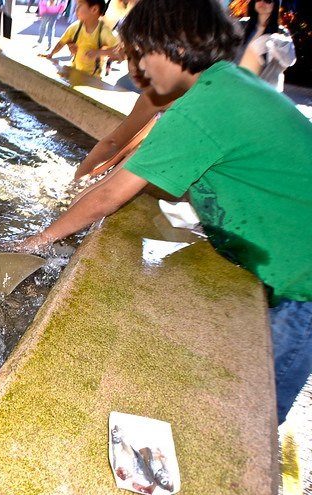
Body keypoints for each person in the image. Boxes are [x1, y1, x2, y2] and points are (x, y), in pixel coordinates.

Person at [19, 0, 312, 425]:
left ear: (170, 46)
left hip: (301, 282)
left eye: (138, 52)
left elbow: (111, 194)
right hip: (290, 259)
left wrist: (38, 241)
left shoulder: (202, 108)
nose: (135, 67)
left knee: (255, 417)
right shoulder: (225, 86)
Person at [72, 46, 180, 181]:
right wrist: (99, 171)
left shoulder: (158, 94)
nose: (134, 67)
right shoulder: (175, 86)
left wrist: (77, 179)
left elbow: (113, 143)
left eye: (142, 58)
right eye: (130, 58)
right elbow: (137, 137)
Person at [41, 0, 119, 77]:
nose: (76, 9)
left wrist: (100, 52)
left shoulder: (103, 31)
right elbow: (62, 42)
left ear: (94, 9)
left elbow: (119, 50)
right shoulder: (75, 27)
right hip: (75, 70)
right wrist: (51, 53)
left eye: (80, 6)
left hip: (94, 77)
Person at [237, 0, 296, 92]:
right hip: (238, 81)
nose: (262, 3)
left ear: (275, 5)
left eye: (267, 0)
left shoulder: (281, 33)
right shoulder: (241, 25)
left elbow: (286, 63)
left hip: (264, 88)